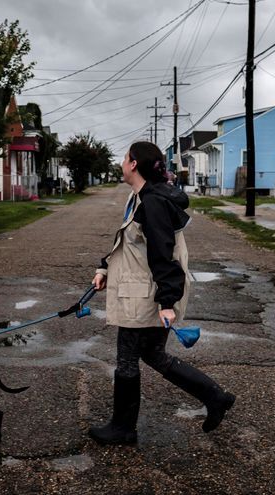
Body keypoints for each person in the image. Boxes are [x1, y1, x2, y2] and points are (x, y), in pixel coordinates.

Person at [89, 141, 236, 445]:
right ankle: (215, 396)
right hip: (143, 291)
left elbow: (163, 255)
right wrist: (104, 269)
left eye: (125, 157)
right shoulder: (140, 197)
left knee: (128, 360)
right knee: (152, 354)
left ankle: (123, 428)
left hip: (145, 296)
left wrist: (167, 301)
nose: (122, 161)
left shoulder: (152, 203)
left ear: (133, 165)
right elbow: (129, 246)